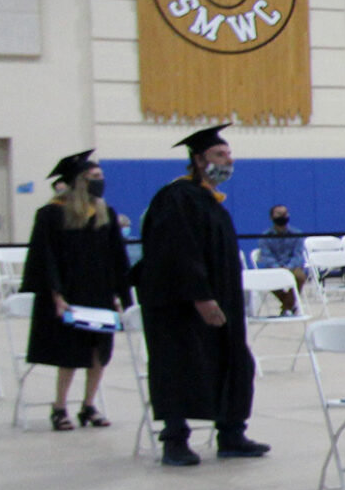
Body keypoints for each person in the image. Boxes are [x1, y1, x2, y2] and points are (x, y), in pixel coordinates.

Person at [135, 126, 269, 466]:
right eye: (219, 155)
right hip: (180, 304)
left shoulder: (209, 199)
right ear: (198, 160)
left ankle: (231, 434)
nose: (228, 161)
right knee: (179, 366)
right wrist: (201, 297)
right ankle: (175, 440)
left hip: (220, 298)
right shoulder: (176, 198)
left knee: (235, 360)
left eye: (229, 155)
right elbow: (178, 253)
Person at [20, 150, 130, 430]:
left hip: (100, 293)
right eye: (94, 177)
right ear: (79, 181)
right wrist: (55, 295)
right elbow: (44, 258)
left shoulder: (106, 213)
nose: (100, 182)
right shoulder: (51, 214)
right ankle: (59, 407)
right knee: (70, 354)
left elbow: (117, 257)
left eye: (101, 177)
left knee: (99, 354)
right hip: (70, 294)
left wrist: (121, 295)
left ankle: (88, 406)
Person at [254, 206, 305, 313]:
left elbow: (298, 255)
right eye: (278, 214)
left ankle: (286, 308)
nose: (282, 216)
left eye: (285, 214)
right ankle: (289, 306)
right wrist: (278, 268)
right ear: (271, 217)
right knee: (266, 280)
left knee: (300, 277)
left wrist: (289, 267)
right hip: (273, 268)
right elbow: (266, 256)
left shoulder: (297, 234)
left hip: (292, 266)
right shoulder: (265, 236)